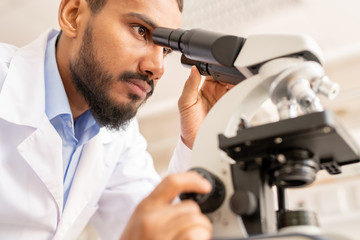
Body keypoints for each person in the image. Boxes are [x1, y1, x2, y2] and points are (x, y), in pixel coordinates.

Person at [0, 0, 230, 239]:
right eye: (141, 31)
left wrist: (196, 142)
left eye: (165, 50)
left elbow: (160, 225)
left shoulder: (120, 136)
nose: (158, 67)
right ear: (73, 14)